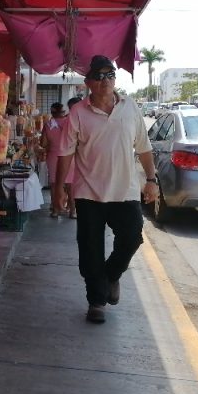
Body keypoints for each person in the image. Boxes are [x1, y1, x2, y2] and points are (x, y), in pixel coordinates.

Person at [55, 55, 159, 323]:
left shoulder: (130, 107)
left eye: (110, 74)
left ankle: (111, 275)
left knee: (132, 237)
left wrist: (151, 179)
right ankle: (96, 301)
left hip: (125, 191)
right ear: (89, 82)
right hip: (88, 192)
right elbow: (65, 154)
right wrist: (59, 189)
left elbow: (144, 147)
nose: (105, 81)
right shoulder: (78, 113)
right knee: (90, 249)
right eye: (99, 76)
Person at [39, 102, 75, 218]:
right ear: (63, 112)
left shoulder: (48, 125)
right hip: (70, 157)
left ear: (52, 112)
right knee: (70, 185)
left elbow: (43, 143)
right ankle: (73, 211)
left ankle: (55, 210)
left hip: (54, 157)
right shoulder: (70, 123)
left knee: (55, 185)